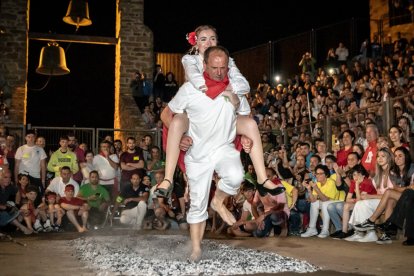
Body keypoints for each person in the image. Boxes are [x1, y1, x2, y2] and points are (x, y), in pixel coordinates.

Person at [157, 25, 283, 201]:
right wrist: (183, 135)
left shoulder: (228, 63)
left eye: (213, 39)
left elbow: (243, 86)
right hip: (196, 115)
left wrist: (244, 134)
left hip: (222, 111)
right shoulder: (190, 61)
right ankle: (168, 179)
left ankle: (262, 178)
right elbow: (195, 79)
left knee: (250, 124)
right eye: (203, 39)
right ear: (196, 45)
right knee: (177, 121)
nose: (209, 42)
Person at [164, 46, 246, 261]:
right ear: (205, 65)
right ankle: (196, 249)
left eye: (223, 67)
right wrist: (180, 137)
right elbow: (166, 114)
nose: (219, 72)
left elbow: (246, 116)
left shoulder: (235, 86)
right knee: (197, 202)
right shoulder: (190, 89)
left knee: (236, 176)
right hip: (198, 154)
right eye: (214, 67)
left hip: (223, 148)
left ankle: (218, 202)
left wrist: (245, 131)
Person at [14, 130, 47, 205]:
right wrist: (16, 179)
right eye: (29, 137)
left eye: (32, 137)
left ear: (35, 138)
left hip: (36, 176)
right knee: (22, 197)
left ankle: (36, 214)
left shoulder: (40, 149)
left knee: (37, 197)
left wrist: (43, 180)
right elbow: (16, 165)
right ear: (26, 138)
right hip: (23, 177)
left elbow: (43, 166)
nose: (31, 138)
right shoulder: (21, 149)